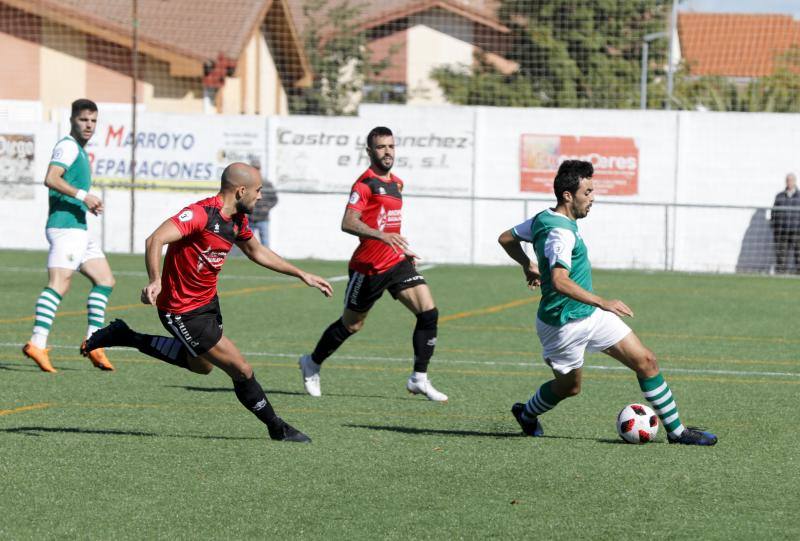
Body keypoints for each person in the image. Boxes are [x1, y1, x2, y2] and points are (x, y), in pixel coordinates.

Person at [82, 163, 333, 443]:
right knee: (241, 369)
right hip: (183, 311)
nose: (260, 197)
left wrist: (301, 274)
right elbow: (155, 239)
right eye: (258, 191)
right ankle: (277, 427)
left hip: (208, 303)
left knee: (202, 366)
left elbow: (256, 251)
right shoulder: (201, 214)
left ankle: (126, 336)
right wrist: (156, 280)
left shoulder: (237, 220)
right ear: (240, 191)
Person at [498, 160, 717, 446]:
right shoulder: (560, 233)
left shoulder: (544, 218)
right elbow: (561, 281)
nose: (592, 198)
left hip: (589, 315)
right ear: (568, 195)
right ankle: (526, 413)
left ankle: (677, 432)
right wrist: (603, 301)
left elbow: (506, 239)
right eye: (587, 192)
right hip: (563, 327)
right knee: (570, 388)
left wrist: (527, 264)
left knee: (646, 361)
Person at [298, 126, 447, 402]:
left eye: (391, 146)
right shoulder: (364, 185)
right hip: (368, 268)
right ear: (370, 152)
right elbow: (348, 222)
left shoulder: (397, 183)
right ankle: (312, 362)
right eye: (381, 147)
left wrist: (401, 249)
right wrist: (382, 237)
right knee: (352, 325)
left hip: (396, 262)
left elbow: (389, 221)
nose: (387, 151)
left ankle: (419, 378)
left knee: (428, 312)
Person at [22, 98, 115, 373]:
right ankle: (37, 343)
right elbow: (51, 178)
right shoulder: (67, 146)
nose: (89, 125)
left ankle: (94, 341)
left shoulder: (80, 150)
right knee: (59, 283)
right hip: (65, 228)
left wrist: (85, 202)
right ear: (72, 120)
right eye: (83, 120)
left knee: (105, 279)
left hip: (78, 229)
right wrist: (84, 196)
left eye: (93, 121)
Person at [770, 172, 800, 274]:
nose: (789, 182)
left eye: (791, 180)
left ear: (795, 182)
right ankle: (781, 275)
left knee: (799, 255)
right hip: (782, 232)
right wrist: (775, 227)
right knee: (781, 256)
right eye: (787, 180)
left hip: (797, 231)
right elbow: (774, 213)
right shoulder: (779, 196)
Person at [248, 157, 278, 248]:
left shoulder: (267, 183)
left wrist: (267, 207)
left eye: (257, 168)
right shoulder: (246, 183)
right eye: (253, 168)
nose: (255, 170)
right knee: (247, 244)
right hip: (250, 218)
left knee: (265, 244)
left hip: (263, 218)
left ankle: (265, 261)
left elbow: (274, 199)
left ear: (260, 169)